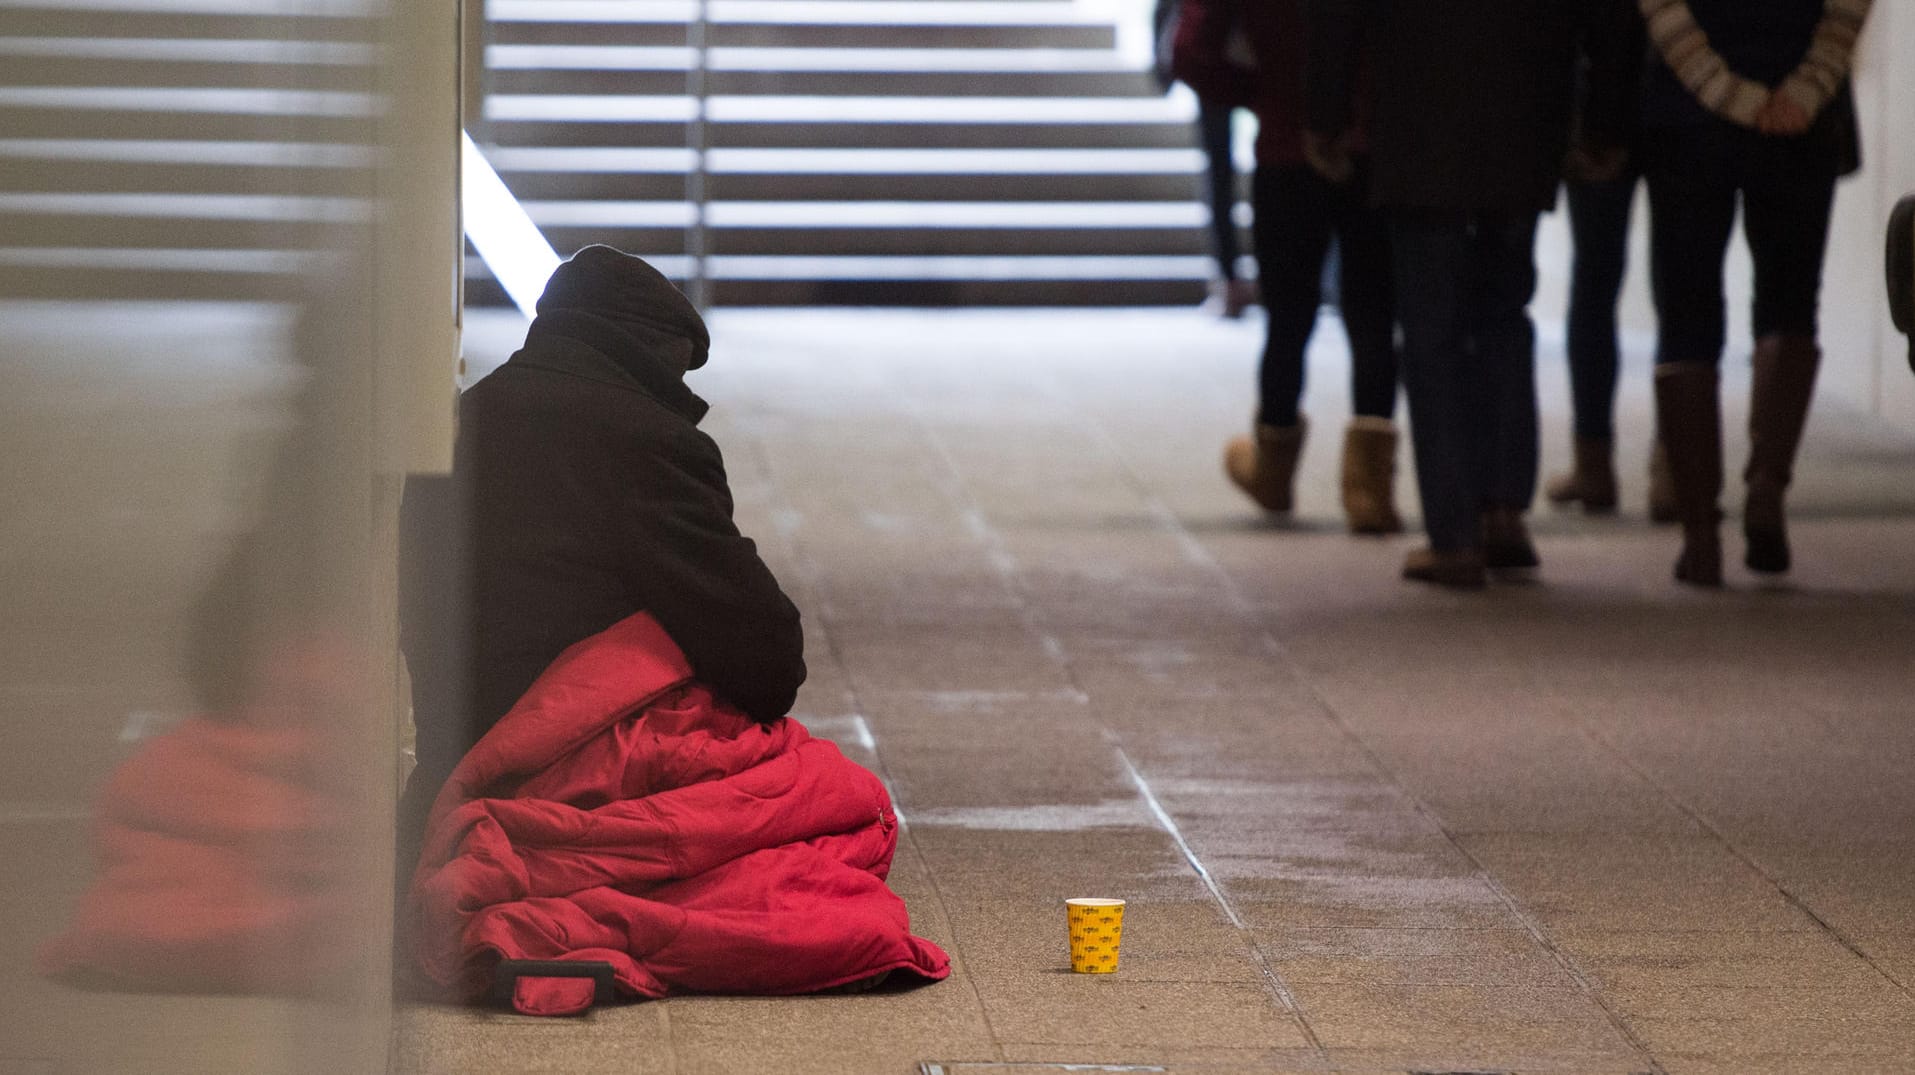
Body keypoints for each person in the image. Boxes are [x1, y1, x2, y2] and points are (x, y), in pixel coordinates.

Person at [398, 245, 806, 841]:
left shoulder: (469, 414)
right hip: (564, 759)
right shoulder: (645, 437)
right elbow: (766, 656)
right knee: (826, 793)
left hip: (456, 747)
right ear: (660, 354)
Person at [1307, 0, 1638, 586]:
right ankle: (1503, 513)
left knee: (1432, 330)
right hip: (1524, 117)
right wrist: (1606, 122)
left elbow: (1336, 13)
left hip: (1421, 120)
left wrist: (1324, 114)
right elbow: (1611, 15)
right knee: (1504, 313)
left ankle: (1454, 533)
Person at [1638, 0, 1873, 585]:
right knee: (1791, 304)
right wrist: (1809, 86)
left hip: (1686, 120)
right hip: (1803, 118)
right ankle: (1767, 488)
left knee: (1687, 314)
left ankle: (1700, 538)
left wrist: (1719, 89)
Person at [1175, 0, 1402, 533]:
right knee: (1372, 317)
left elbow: (1190, 49)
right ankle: (1369, 490)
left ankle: (1273, 472)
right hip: (1371, 147)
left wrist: (1252, 94)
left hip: (1286, 147)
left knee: (1288, 317)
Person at [1154, 0, 1256, 318]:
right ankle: (1234, 279)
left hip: (1219, 51)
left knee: (1222, 171)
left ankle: (1231, 280)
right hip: (1238, 48)